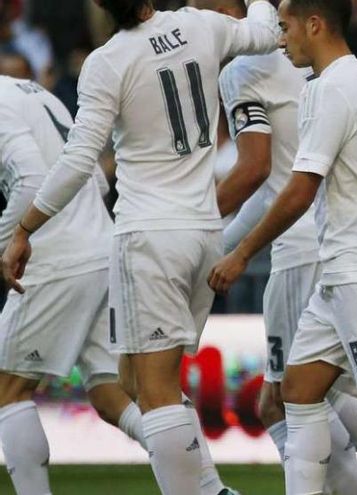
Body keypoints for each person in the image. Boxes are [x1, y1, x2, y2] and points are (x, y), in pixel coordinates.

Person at [1, 0, 279, 493]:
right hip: (203, 231)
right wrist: (258, 3)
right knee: (132, 382)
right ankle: (212, 488)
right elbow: (265, 31)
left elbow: (78, 160)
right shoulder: (201, 25)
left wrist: (25, 227)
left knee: (152, 391)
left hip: (149, 236)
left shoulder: (107, 61)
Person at [207, 1, 357, 494]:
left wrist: (241, 251)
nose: (281, 38)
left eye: (286, 27)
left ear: (314, 24)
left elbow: (299, 188)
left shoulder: (331, 89)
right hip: (343, 267)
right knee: (297, 391)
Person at [0, 75, 140, 495]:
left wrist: (4, 244)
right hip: (101, 247)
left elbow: (29, 179)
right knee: (114, 395)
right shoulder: (32, 91)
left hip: (55, 257)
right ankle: (206, 484)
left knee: (6, 387)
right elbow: (95, 177)